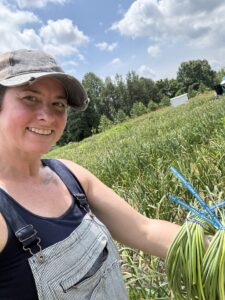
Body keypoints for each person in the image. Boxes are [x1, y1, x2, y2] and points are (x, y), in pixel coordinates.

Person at [0, 49, 180, 300]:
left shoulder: (69, 174)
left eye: (59, 104)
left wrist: (213, 248)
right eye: (30, 98)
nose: (48, 116)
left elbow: (144, 230)